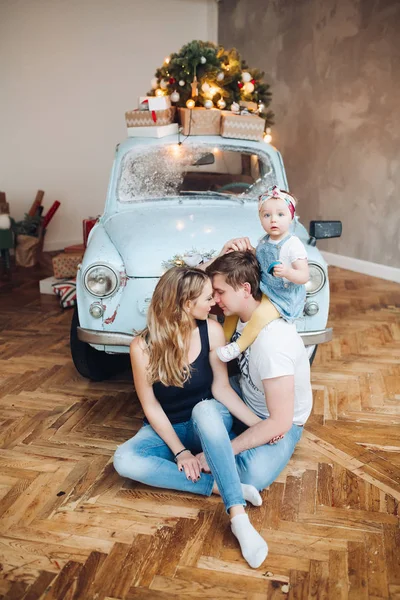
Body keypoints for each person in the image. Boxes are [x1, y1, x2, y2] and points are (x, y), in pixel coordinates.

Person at [113, 266, 271, 569]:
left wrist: (259, 425)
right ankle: (222, 486)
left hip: (207, 422)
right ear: (187, 304)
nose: (213, 303)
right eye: (207, 298)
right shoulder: (141, 347)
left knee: (204, 410)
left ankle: (238, 516)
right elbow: (151, 407)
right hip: (167, 428)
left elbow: (221, 389)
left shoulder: (210, 329)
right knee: (125, 460)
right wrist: (181, 452)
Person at [192, 250, 313, 502]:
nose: (214, 300)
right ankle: (217, 453)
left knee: (252, 476)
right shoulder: (238, 316)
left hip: (281, 422)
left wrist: (223, 450)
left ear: (245, 289)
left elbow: (280, 422)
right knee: (199, 412)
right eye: (213, 293)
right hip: (244, 395)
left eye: (220, 292)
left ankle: (214, 456)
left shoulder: (273, 345)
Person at [216, 185, 309, 362]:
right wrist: (250, 251)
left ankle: (238, 346)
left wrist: (288, 272)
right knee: (234, 312)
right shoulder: (264, 241)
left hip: (282, 295)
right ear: (260, 219)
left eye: (281, 214)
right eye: (267, 215)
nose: (274, 220)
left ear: (291, 218)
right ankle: (222, 340)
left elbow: (304, 276)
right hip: (265, 288)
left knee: (260, 315)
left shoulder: (293, 245)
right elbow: (260, 259)